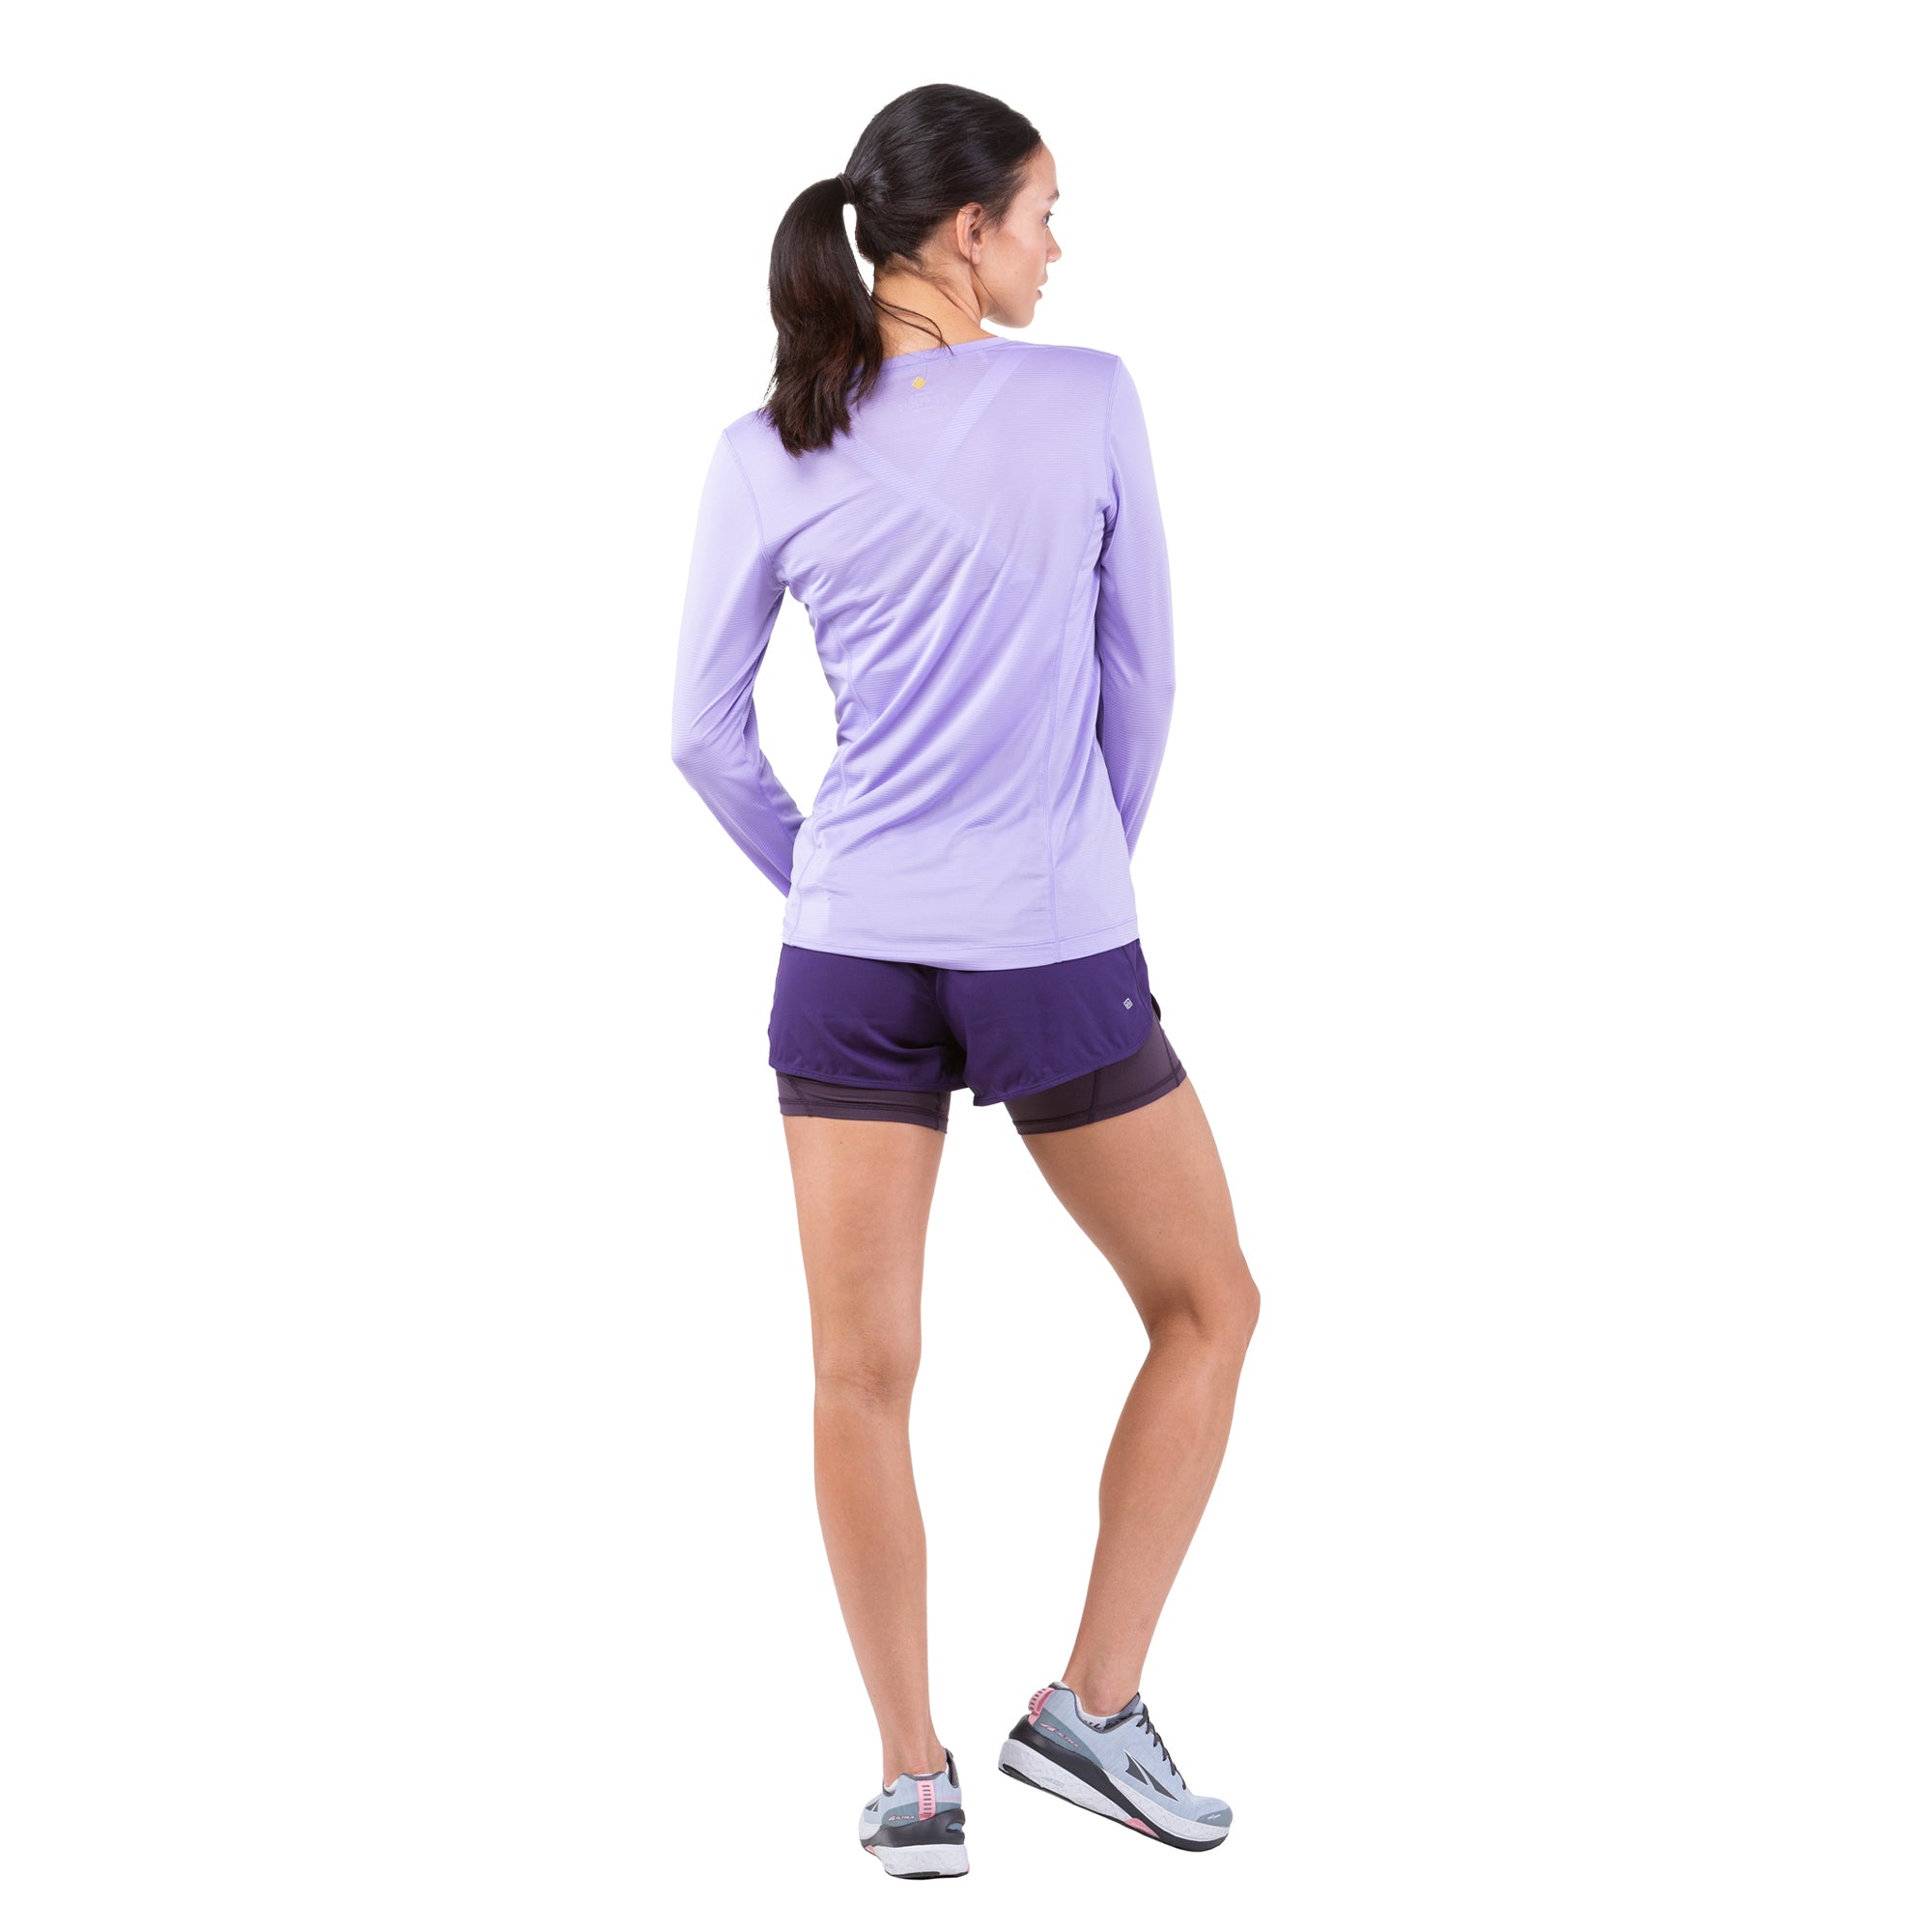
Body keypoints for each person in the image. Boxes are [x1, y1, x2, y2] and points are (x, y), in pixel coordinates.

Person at [670, 83, 1261, 1880]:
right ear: (966, 231)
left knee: (857, 1376)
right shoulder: (1088, 398)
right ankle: (1092, 1710)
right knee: (1208, 1307)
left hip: (844, 960)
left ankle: (914, 1781)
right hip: (1050, 944)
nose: (1058, 250)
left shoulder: (764, 443)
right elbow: (1145, 681)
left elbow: (701, 736)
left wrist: (834, 880)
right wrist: (1073, 868)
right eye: (1045, 213)